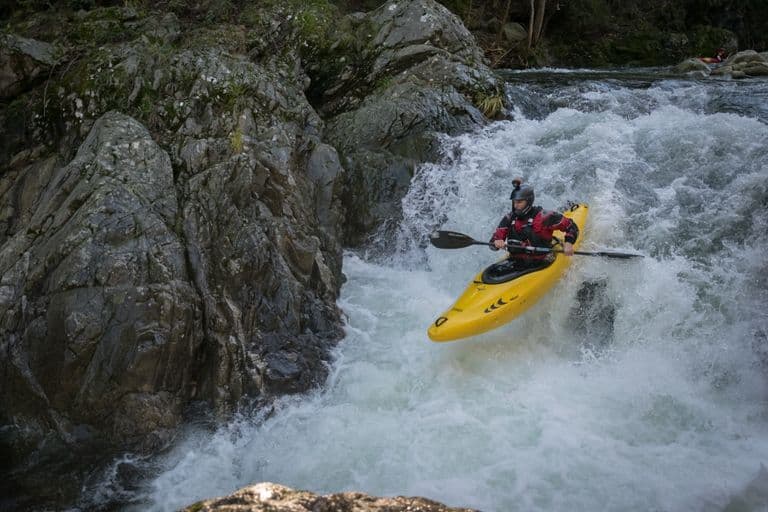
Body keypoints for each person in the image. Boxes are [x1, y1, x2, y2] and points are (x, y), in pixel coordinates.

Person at [489, 178, 578, 269]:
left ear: (528, 201)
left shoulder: (545, 217)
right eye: (514, 202)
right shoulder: (509, 218)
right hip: (516, 261)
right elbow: (493, 242)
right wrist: (496, 243)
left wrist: (568, 243)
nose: (515, 205)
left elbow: (571, 226)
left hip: (543, 260)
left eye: (519, 202)